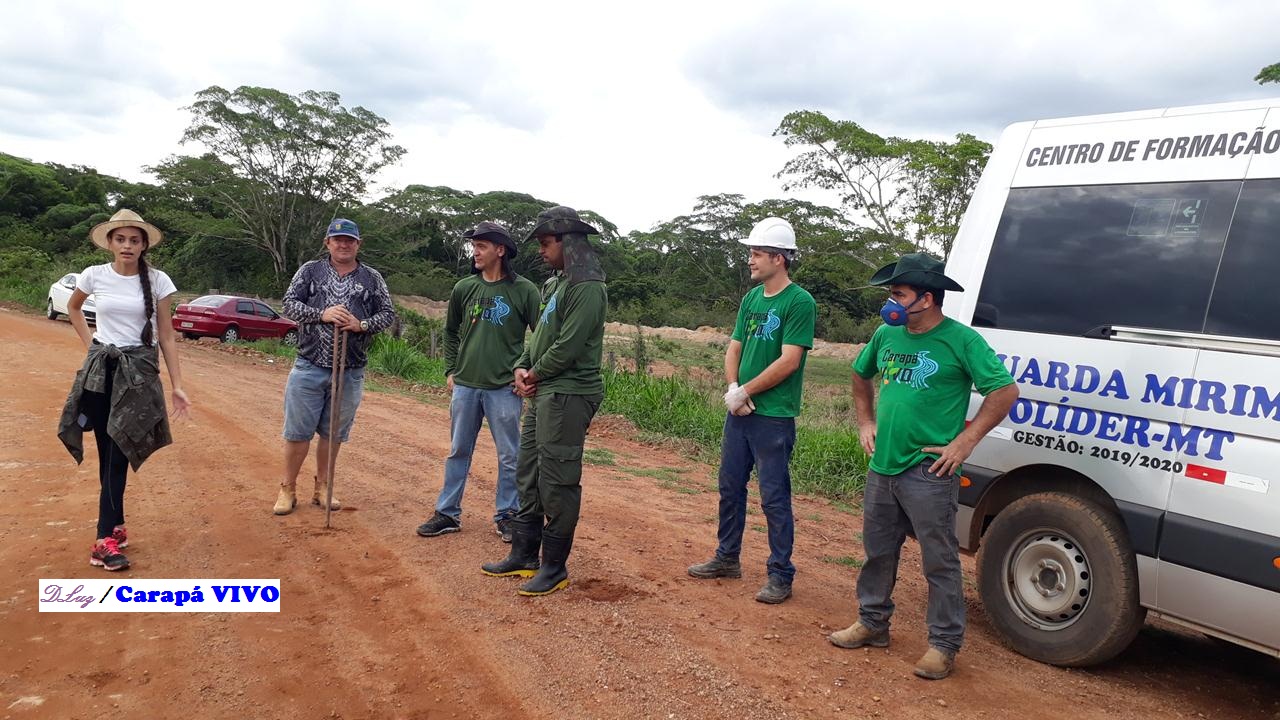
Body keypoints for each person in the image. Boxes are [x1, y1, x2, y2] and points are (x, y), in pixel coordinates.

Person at [828, 252, 1018, 681]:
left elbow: (1004, 391)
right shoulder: (886, 335)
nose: (890, 303)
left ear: (926, 299)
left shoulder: (961, 340)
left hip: (929, 471)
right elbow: (860, 374)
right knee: (878, 552)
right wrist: (865, 421)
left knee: (939, 560)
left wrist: (965, 441)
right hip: (883, 465)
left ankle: (944, 645)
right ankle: (872, 623)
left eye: (898, 294)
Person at [688, 217, 816, 605]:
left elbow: (789, 360)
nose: (750, 260)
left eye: (757, 253)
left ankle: (780, 573)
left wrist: (746, 390)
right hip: (739, 412)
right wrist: (733, 389)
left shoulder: (799, 302)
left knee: (773, 496)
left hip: (773, 415)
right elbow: (734, 348)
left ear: (779, 258)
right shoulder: (751, 299)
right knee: (730, 486)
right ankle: (727, 557)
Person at [480, 206, 607, 596]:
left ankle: (554, 567)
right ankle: (524, 554)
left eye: (546, 243)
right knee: (529, 472)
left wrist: (532, 375)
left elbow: (568, 346)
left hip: (568, 392)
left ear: (569, 243)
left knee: (558, 480)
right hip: (545, 390)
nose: (541, 250)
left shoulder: (588, 287)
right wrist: (522, 365)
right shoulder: (556, 284)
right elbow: (539, 338)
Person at [58, 209, 191, 571]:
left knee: (119, 452)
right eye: (121, 239)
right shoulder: (94, 275)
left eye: (134, 240)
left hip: (138, 375)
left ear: (144, 245)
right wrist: (91, 345)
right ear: (110, 243)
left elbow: (167, 335)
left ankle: (106, 534)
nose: (127, 245)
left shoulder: (159, 281)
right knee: (108, 453)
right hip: (102, 372)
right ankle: (110, 531)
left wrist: (177, 385)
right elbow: (73, 308)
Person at [415, 221, 541, 541]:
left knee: (509, 455)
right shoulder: (464, 288)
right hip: (466, 385)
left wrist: (527, 371)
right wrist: (450, 370)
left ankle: (507, 515)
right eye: (474, 246)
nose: (475, 252)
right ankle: (447, 513)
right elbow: (450, 331)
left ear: (500, 250)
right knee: (458, 450)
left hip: (504, 388)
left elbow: (541, 335)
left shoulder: (524, 290)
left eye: (481, 246)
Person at [273, 218, 396, 515]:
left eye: (349, 240)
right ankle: (287, 488)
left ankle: (323, 487)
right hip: (309, 364)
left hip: (350, 370)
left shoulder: (372, 278)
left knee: (333, 434)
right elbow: (289, 304)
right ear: (327, 242)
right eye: (338, 239)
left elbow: (387, 314)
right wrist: (322, 314)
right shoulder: (310, 271)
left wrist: (361, 324)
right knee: (298, 432)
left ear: (358, 244)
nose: (344, 244)